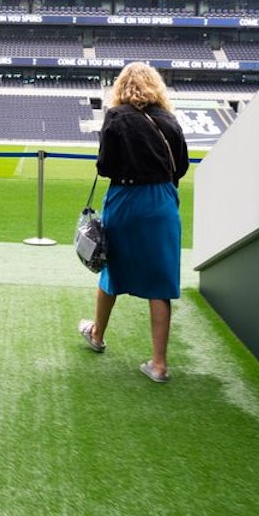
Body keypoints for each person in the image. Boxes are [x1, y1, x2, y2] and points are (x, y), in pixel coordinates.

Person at [77, 62, 190, 383]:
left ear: (121, 87)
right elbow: (180, 167)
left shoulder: (115, 117)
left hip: (125, 201)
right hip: (162, 202)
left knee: (111, 268)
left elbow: (105, 166)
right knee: (160, 281)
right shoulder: (169, 120)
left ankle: (97, 335)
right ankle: (159, 364)